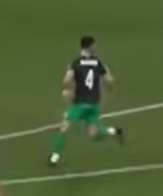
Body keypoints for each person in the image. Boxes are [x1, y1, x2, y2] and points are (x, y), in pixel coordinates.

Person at [50, 36, 124, 166]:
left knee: (65, 128)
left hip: (80, 103)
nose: (96, 47)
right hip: (94, 103)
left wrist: (68, 92)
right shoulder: (99, 63)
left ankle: (54, 156)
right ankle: (114, 131)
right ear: (90, 47)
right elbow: (110, 80)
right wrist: (109, 89)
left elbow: (66, 81)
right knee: (94, 133)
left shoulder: (75, 63)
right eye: (94, 45)